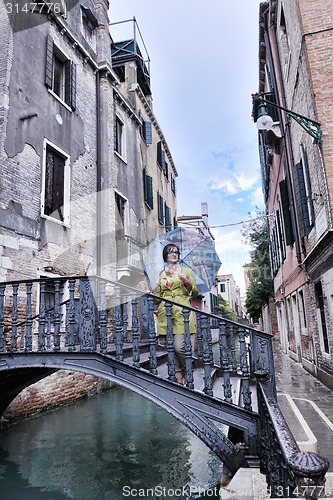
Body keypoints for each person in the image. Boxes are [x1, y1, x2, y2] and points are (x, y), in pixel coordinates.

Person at [155, 243, 198, 384]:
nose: (174, 254)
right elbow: (158, 296)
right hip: (165, 313)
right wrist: (152, 295)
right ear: (165, 255)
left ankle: (186, 369)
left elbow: (195, 292)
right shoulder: (161, 274)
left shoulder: (185, 271)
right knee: (169, 346)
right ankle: (178, 374)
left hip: (182, 312)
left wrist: (186, 282)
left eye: (176, 252)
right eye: (171, 252)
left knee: (180, 347)